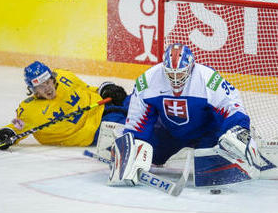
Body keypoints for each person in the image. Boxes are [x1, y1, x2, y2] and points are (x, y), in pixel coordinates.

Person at [108, 43, 261, 187]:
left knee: (210, 175)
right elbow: (138, 120)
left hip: (206, 133)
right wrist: (132, 145)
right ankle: (121, 137)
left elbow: (231, 107)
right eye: (171, 74)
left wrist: (239, 129)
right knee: (148, 157)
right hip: (169, 132)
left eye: (180, 73)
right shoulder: (147, 80)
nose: (175, 79)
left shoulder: (208, 79)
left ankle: (245, 144)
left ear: (191, 67)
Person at [0, 61, 129, 150]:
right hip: (96, 129)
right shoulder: (29, 110)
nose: (47, 88)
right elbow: (19, 126)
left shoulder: (65, 77)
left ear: (52, 78)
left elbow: (87, 88)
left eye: (48, 82)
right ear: (33, 90)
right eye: (40, 86)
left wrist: (106, 88)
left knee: (141, 101)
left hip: (105, 105)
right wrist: (8, 132)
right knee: (135, 130)